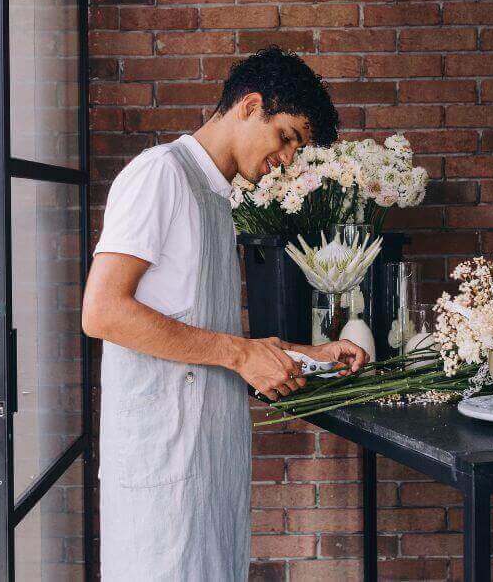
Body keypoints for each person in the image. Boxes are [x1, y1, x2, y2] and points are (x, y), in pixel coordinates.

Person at [81, 47, 369, 581]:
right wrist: (240, 354)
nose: (286, 159)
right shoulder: (159, 175)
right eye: (286, 137)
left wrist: (310, 354)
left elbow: (208, 331)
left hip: (206, 464)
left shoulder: (216, 198)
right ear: (250, 105)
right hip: (162, 471)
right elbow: (101, 311)